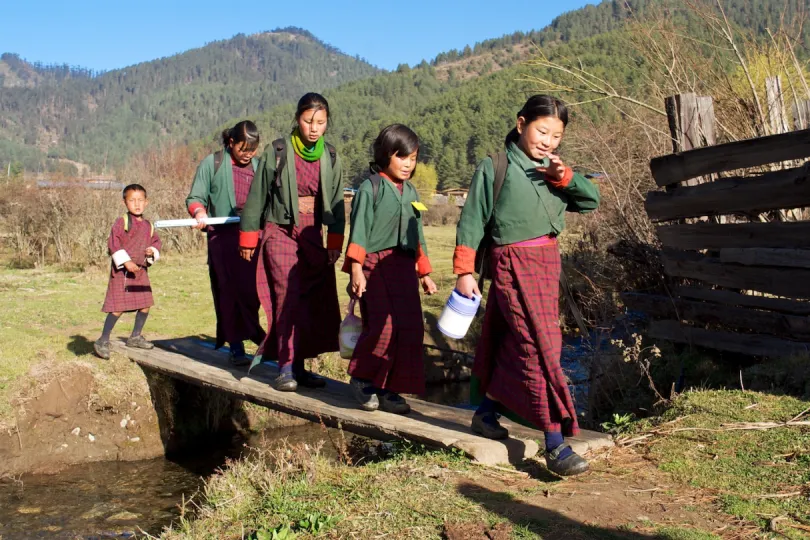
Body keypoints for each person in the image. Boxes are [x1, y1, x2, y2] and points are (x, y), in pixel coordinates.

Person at [453, 95, 600, 476]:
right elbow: (471, 221)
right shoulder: (496, 166)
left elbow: (591, 200)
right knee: (538, 348)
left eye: (556, 135)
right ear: (521, 124)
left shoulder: (554, 170)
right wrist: (464, 271)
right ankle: (554, 444)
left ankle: (486, 414)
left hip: (547, 265)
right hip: (512, 265)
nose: (548, 141)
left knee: (512, 343)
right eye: (542, 131)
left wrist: (563, 178)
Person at [239, 93, 345, 392]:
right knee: (287, 296)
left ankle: (300, 365)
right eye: (308, 121)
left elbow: (336, 201)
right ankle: (285, 367)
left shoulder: (331, 156)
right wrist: (249, 235)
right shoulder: (278, 151)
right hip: (280, 231)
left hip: (314, 235)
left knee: (311, 300)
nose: (314, 128)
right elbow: (258, 195)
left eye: (320, 123)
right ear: (297, 119)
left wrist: (335, 239)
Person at [343, 124, 438, 414]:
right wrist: (356, 269)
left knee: (410, 328)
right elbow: (359, 231)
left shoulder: (411, 191)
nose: (409, 164)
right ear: (386, 155)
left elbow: (416, 234)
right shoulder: (369, 189)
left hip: (404, 267)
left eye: (413, 157)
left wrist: (424, 272)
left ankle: (388, 388)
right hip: (374, 266)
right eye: (402, 157)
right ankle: (361, 378)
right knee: (383, 327)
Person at [186, 120, 266, 366]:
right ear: (231, 142)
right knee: (228, 291)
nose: (248, 155)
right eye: (243, 149)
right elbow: (195, 197)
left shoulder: (259, 166)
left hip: (253, 236)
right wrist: (199, 213)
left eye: (252, 150)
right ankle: (237, 344)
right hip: (223, 238)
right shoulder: (213, 163)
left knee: (252, 290)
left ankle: (253, 331)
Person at [94, 184, 162, 359]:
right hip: (123, 273)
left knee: (145, 305)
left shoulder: (149, 225)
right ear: (125, 202)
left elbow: (156, 243)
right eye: (132, 200)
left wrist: (151, 251)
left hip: (140, 271)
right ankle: (102, 340)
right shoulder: (122, 222)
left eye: (140, 200)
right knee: (118, 307)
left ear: (146, 202)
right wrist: (126, 261)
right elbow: (113, 243)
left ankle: (135, 336)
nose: (137, 204)